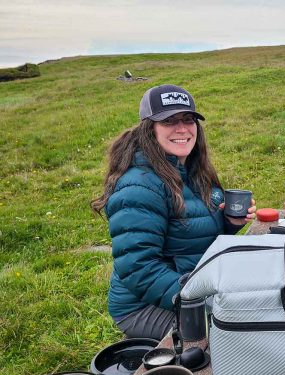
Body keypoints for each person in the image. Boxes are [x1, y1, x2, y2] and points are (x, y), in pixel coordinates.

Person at [91, 84, 255, 340]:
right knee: (235, 334)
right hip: (146, 306)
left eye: (188, 119)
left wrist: (229, 222)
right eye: (169, 120)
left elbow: (190, 233)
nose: (181, 128)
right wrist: (198, 300)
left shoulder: (192, 170)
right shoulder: (140, 186)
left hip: (191, 285)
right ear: (150, 129)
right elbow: (139, 268)